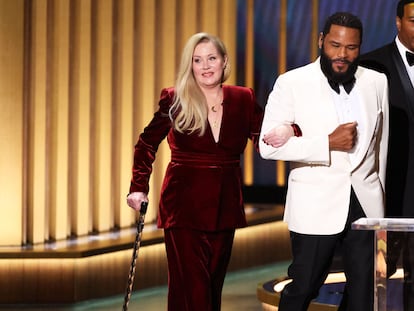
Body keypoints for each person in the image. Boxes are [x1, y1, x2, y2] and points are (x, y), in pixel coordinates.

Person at [126, 32, 266, 311]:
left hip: (225, 206)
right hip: (183, 206)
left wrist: (294, 133)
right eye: (197, 60)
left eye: (211, 58)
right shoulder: (175, 98)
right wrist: (138, 186)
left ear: (224, 61)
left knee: (211, 287)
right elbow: (146, 143)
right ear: (190, 65)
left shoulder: (243, 98)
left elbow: (266, 138)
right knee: (194, 288)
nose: (205, 66)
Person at [259, 12, 389, 311]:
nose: (342, 55)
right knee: (304, 286)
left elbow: (381, 148)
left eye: (351, 48)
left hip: (366, 206)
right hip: (316, 203)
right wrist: (326, 143)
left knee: (364, 293)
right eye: (334, 45)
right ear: (320, 41)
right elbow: (268, 148)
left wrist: (380, 209)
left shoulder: (377, 82)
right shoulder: (292, 82)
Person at [360, 1, 414, 309]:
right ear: (397, 22)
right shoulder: (369, 66)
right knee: (373, 282)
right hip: (385, 196)